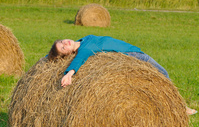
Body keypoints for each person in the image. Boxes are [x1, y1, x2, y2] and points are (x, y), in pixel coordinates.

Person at [48, 34, 197, 115]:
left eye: (62, 42)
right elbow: (79, 60)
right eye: (62, 48)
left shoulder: (84, 40)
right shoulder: (84, 49)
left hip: (132, 52)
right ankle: (180, 108)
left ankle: (171, 106)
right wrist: (69, 74)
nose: (65, 43)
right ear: (68, 54)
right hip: (133, 55)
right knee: (162, 74)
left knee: (159, 77)